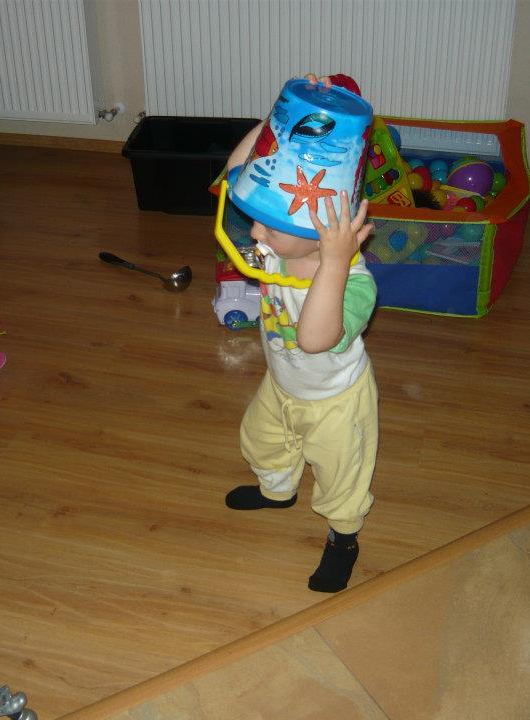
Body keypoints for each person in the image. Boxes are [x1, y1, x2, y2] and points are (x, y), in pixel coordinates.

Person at [222, 74, 380, 593]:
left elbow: (314, 338)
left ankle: (343, 537)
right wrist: (281, 121)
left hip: (336, 400)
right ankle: (278, 491)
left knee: (341, 478)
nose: (254, 232)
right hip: (283, 381)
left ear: (319, 238)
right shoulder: (278, 245)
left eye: (268, 225)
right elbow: (236, 177)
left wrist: (334, 263)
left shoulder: (353, 282)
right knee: (261, 440)